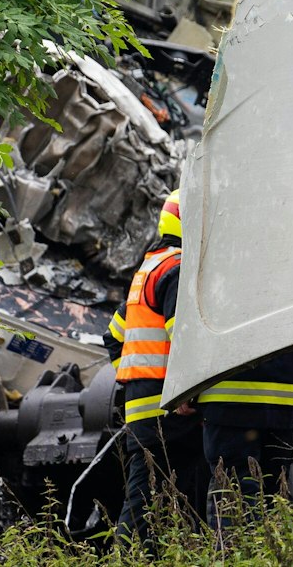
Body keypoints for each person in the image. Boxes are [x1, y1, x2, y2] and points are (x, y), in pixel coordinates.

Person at [107, 190, 207, 541]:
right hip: (169, 411)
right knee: (147, 505)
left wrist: (135, 381)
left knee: (149, 497)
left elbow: (113, 335)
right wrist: (185, 391)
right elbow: (182, 338)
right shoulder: (177, 270)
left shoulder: (147, 269)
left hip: (141, 409)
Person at [198, 335, 293, 526]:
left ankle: (238, 555)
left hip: (226, 399)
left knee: (233, 496)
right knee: (276, 497)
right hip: (284, 398)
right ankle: (272, 553)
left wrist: (185, 386)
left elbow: (188, 328)